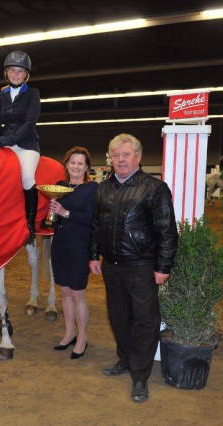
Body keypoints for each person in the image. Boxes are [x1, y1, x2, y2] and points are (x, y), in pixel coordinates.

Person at [89, 133, 178, 403]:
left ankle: (140, 376)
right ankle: (125, 359)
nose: (120, 160)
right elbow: (95, 226)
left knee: (144, 322)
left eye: (126, 154)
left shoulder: (154, 188)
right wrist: (94, 256)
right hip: (112, 267)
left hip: (142, 268)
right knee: (118, 318)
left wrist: (163, 267)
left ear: (138, 157)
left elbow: (167, 231)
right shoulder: (103, 188)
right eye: (115, 155)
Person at [48, 147, 98, 359]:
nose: (76, 167)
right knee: (65, 292)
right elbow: (57, 216)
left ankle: (82, 337)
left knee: (78, 293)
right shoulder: (59, 187)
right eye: (73, 162)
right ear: (66, 164)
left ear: (86, 167)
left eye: (81, 163)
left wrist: (64, 212)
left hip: (79, 245)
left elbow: (92, 219)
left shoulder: (93, 188)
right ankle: (69, 333)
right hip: (60, 243)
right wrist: (52, 213)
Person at [0, 50, 41, 244]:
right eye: (12, 70)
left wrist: (4, 141)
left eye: (20, 71)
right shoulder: (1, 95)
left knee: (27, 177)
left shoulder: (33, 94)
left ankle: (30, 225)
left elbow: (29, 124)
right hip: (5, 143)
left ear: (26, 74)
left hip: (27, 144)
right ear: (7, 73)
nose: (16, 74)